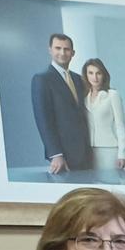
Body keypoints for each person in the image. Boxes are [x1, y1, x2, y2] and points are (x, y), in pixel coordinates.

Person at [30, 34, 92, 174]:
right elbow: (43, 119)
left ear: (73, 53)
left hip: (86, 153)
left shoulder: (79, 79)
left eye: (67, 49)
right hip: (64, 154)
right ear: (50, 50)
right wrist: (56, 154)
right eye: (58, 48)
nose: (62, 53)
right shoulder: (42, 79)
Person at [81, 59, 125, 172]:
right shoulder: (84, 97)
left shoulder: (112, 95)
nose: (95, 77)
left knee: (110, 182)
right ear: (86, 75)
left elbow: (120, 125)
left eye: (98, 73)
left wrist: (122, 153)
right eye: (91, 73)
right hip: (89, 150)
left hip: (109, 149)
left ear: (104, 75)